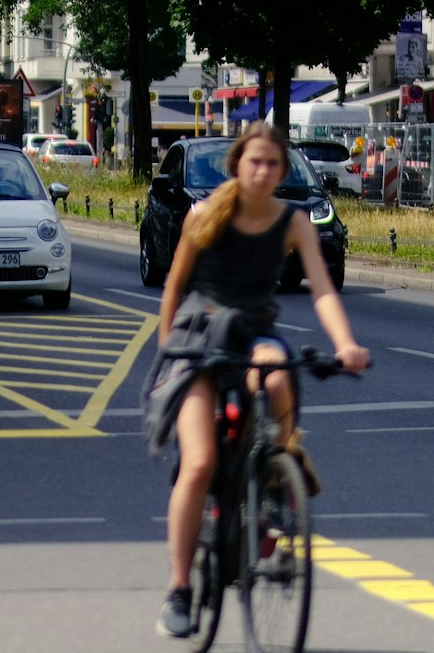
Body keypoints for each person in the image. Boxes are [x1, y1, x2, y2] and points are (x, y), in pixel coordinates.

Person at [151, 121, 370, 639]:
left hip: (252, 331)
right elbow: (173, 287)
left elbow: (322, 290)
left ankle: (272, 481)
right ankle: (179, 589)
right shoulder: (204, 216)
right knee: (200, 461)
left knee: (277, 378)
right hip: (200, 336)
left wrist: (345, 345)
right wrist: (166, 355)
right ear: (238, 166)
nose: (265, 171)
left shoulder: (292, 221)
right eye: (256, 162)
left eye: (275, 163)